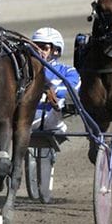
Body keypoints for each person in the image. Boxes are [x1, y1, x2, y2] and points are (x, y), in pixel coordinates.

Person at [30, 27, 80, 201]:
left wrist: (50, 91)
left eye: (43, 47)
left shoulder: (68, 71)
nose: (39, 51)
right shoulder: (25, 70)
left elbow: (71, 90)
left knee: (59, 107)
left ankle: (45, 191)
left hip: (53, 121)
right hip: (27, 121)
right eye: (35, 47)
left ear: (55, 50)